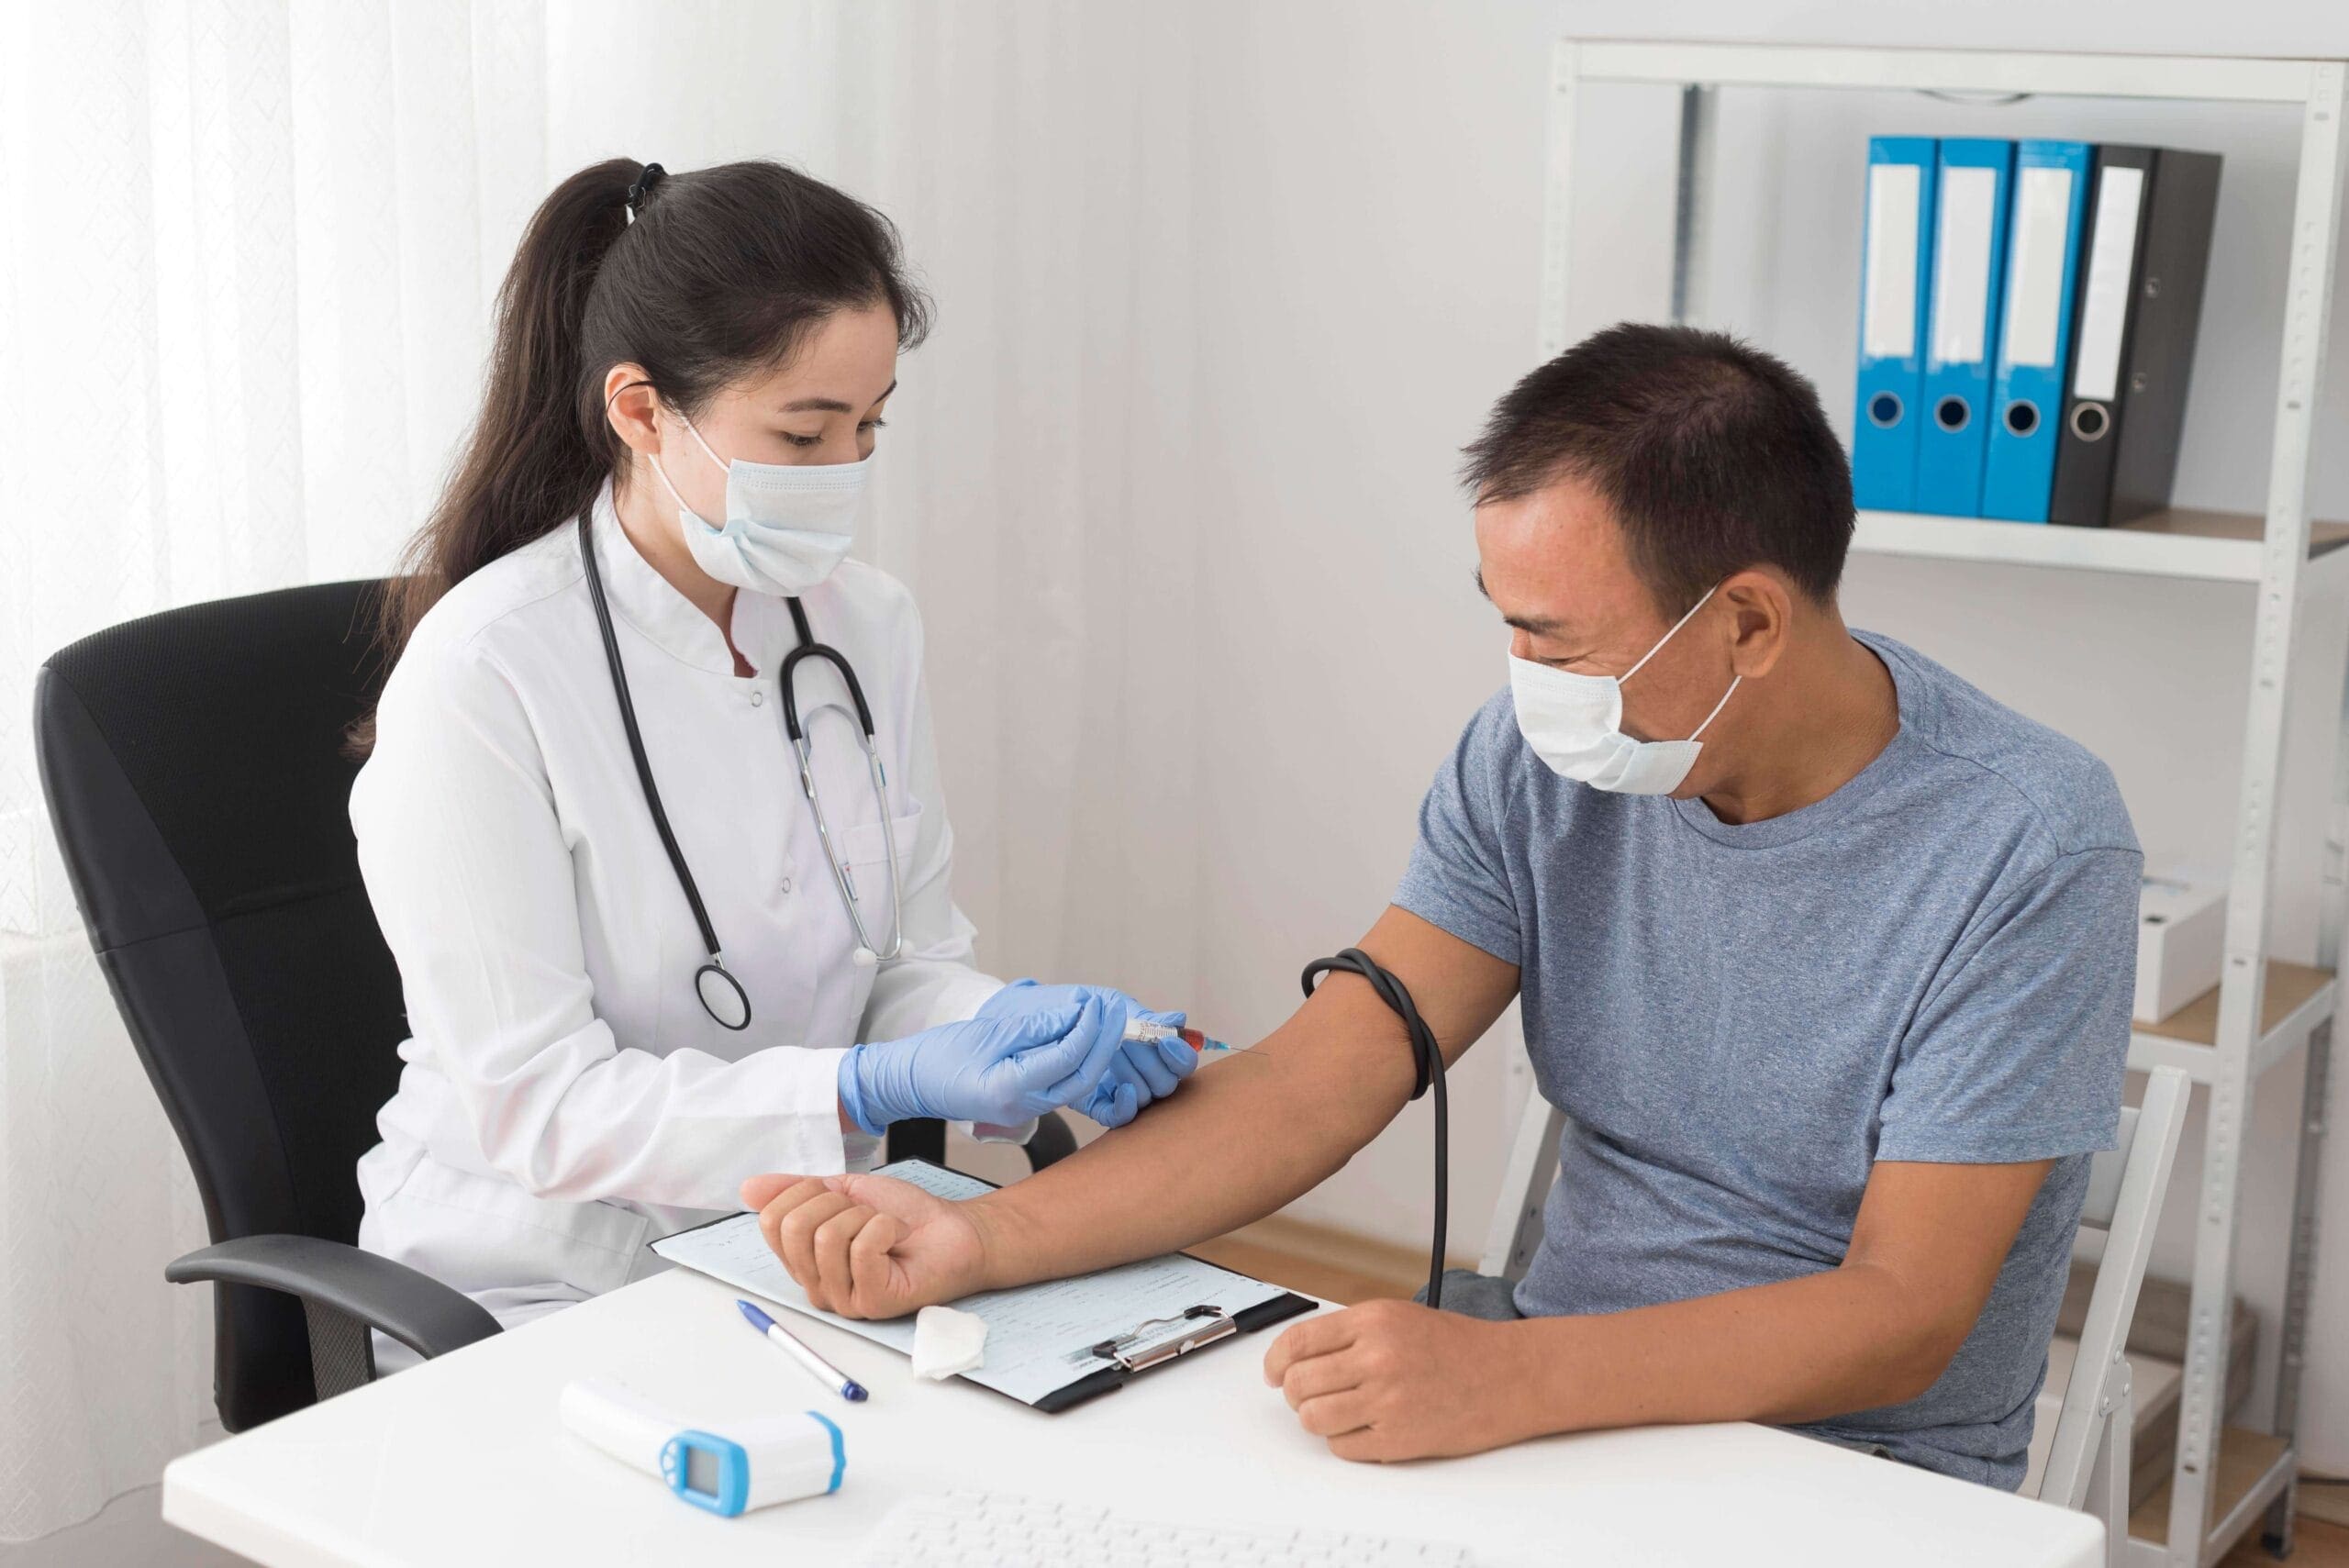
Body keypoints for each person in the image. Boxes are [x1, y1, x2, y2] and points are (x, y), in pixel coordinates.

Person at [741, 324, 2140, 1490]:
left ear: (1750, 625)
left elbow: (1903, 1316)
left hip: (1858, 1468)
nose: (1522, 674)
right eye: (1505, 616)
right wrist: (976, 1240)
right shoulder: (1540, 759)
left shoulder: (2030, 843)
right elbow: (1321, 1081)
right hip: (1550, 1402)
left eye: (1559, 638)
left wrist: (1505, 1371)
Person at [350, 158, 1197, 1347]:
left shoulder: (864, 625)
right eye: (804, 433)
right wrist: (862, 1088)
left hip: (810, 1245)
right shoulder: (485, 673)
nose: (845, 473)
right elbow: (541, 1109)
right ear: (641, 410)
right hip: (533, 1289)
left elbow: (898, 962)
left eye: (869, 426)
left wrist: (1016, 1024)